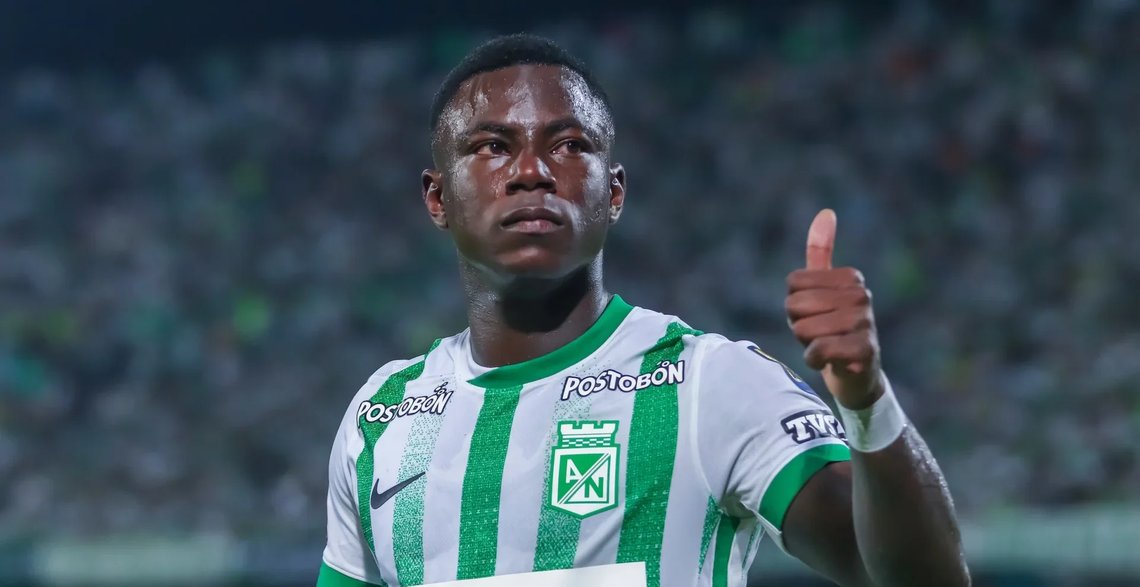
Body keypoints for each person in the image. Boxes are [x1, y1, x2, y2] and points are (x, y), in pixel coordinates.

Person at [317, 34, 970, 587]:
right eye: (492, 146)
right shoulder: (381, 417)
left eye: (568, 144)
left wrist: (866, 400)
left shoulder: (709, 384)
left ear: (614, 192)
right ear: (438, 198)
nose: (531, 170)